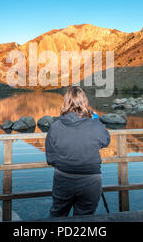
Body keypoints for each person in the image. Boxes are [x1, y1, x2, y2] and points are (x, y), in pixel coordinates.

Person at [45, 86, 111, 217]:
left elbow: (50, 156)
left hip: (63, 178)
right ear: (85, 102)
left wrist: (63, 164)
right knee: (85, 217)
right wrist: (96, 120)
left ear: (66, 102)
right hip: (91, 180)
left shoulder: (55, 127)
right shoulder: (95, 124)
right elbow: (105, 140)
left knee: (58, 214)